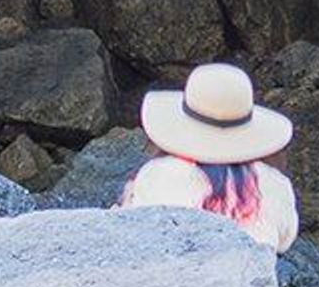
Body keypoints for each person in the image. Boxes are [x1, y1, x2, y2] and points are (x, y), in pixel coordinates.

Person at [117, 61, 298, 252]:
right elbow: (284, 240)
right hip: (248, 277)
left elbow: (134, 229)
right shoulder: (275, 184)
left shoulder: (157, 175)